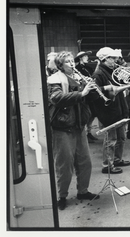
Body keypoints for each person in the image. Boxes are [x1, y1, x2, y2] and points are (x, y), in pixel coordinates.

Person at [47, 51, 100, 210]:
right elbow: (56, 98)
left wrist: (92, 90)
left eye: (72, 61)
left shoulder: (79, 78)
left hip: (79, 126)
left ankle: (82, 191)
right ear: (60, 66)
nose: (72, 64)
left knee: (85, 162)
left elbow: (88, 100)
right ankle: (61, 196)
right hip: (62, 128)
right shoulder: (54, 80)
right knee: (64, 164)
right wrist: (81, 92)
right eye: (67, 62)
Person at [91, 47, 130, 174]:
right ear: (104, 59)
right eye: (112, 58)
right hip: (108, 112)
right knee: (111, 140)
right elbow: (93, 93)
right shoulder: (98, 74)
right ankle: (107, 165)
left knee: (121, 138)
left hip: (119, 109)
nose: (116, 60)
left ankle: (117, 159)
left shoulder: (113, 70)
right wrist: (106, 88)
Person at [74, 50, 98, 143]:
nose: (87, 58)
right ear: (80, 58)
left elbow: (94, 76)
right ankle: (84, 134)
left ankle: (88, 132)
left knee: (92, 114)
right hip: (84, 94)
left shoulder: (89, 67)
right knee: (85, 114)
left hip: (91, 93)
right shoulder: (77, 68)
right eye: (85, 56)